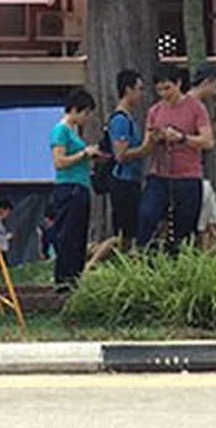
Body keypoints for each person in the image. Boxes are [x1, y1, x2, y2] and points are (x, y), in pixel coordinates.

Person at [136, 63, 214, 253]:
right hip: (160, 173)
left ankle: (179, 261)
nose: (164, 94)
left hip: (188, 175)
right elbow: (146, 146)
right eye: (159, 89)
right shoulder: (154, 111)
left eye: (168, 88)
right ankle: (146, 255)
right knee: (148, 215)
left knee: (185, 227)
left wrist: (182, 138)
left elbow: (208, 141)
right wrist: (155, 139)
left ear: (178, 84)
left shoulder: (196, 108)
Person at [90, 69, 150, 266]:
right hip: (122, 181)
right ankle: (91, 263)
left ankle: (117, 266)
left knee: (128, 234)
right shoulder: (120, 120)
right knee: (124, 234)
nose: (141, 94)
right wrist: (146, 148)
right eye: (139, 89)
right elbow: (121, 155)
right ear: (128, 90)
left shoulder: (129, 118)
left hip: (132, 180)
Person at [48, 89, 105, 290]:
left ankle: (74, 277)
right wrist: (83, 154)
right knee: (68, 235)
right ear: (74, 109)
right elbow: (59, 162)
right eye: (85, 113)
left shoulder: (73, 132)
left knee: (78, 235)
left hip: (80, 186)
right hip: (68, 187)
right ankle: (63, 279)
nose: (86, 118)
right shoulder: (61, 131)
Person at [189, 64, 216, 248]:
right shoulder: (190, 106)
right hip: (189, 174)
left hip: (197, 172)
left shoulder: (199, 108)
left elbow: (205, 139)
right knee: (203, 226)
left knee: (212, 224)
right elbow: (205, 142)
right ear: (207, 82)